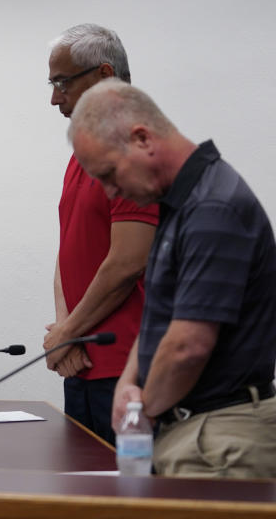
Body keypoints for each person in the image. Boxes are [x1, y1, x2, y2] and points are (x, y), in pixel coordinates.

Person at [70, 79, 276, 477]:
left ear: (142, 138)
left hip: (219, 441)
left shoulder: (213, 209)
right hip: (192, 429)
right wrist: (127, 384)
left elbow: (187, 346)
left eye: (110, 174)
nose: (112, 193)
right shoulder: (181, 204)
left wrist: (137, 409)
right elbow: (160, 319)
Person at [44, 24, 158, 445]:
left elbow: (128, 263)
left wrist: (67, 333)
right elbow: (68, 248)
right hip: (79, 360)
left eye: (62, 82)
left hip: (125, 368)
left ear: (103, 74)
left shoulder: (134, 149)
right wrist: (64, 332)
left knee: (129, 503)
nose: (55, 97)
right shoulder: (85, 152)